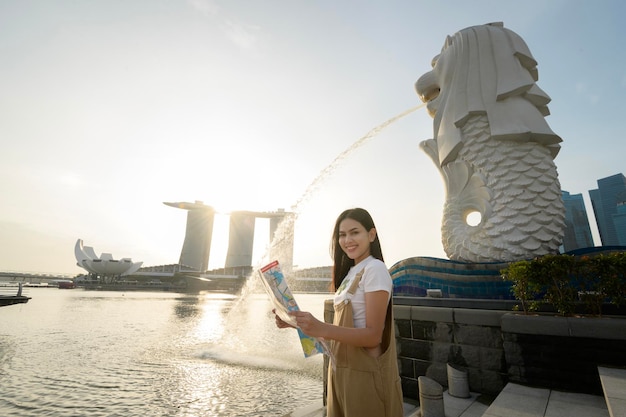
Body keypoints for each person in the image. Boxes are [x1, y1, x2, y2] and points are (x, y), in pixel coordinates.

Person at [273, 208, 404, 417]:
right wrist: (296, 323)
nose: (347, 240)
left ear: (371, 235)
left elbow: (373, 336)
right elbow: (339, 333)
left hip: (365, 376)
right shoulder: (350, 274)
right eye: (342, 235)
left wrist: (321, 326)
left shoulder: (375, 269)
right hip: (339, 372)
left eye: (354, 232)